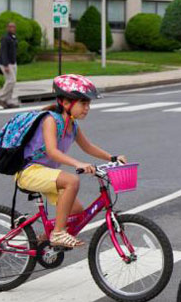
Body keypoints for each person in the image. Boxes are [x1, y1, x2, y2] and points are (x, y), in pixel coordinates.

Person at [14, 74, 127, 248]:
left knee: (75, 211)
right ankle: (58, 233)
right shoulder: (50, 120)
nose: (87, 108)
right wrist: (78, 164)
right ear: (66, 103)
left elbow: (88, 146)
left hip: (47, 174)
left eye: (88, 104)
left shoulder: (72, 125)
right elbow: (52, 152)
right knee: (72, 181)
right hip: (29, 171)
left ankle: (40, 242)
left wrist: (112, 157)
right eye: (83, 103)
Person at [0, 22, 19, 109]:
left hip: (13, 62)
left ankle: (8, 100)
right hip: (5, 63)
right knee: (11, 80)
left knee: (12, 82)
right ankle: (2, 98)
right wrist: (6, 65)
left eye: (13, 27)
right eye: (10, 27)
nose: (12, 28)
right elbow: (3, 52)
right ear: (7, 28)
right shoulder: (5, 38)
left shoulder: (13, 38)